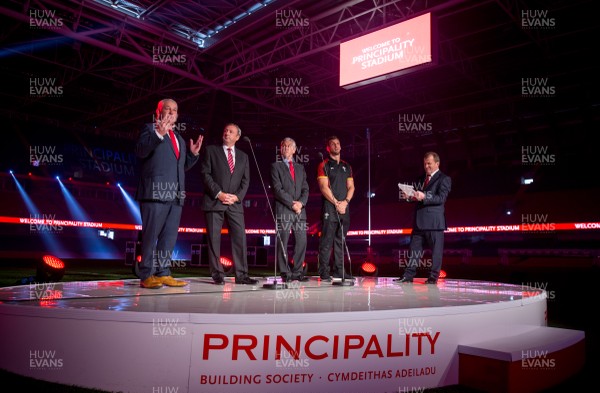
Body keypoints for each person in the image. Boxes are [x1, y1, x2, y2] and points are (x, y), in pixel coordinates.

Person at [135, 98, 203, 289]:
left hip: (175, 196)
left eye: (175, 110)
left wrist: (193, 155)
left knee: (169, 237)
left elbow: (179, 168)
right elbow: (141, 152)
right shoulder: (149, 129)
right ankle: (146, 274)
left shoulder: (179, 138)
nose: (172, 112)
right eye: (168, 109)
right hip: (155, 194)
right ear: (158, 112)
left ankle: (163, 272)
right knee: (151, 236)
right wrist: (158, 134)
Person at [200, 123, 258, 285]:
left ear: (237, 137)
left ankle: (242, 275)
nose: (226, 133)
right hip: (214, 201)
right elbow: (205, 174)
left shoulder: (244, 156)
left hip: (234, 204)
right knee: (213, 239)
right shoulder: (211, 150)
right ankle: (217, 273)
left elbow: (246, 181)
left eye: (231, 132)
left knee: (240, 238)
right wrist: (219, 194)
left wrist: (237, 197)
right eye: (225, 130)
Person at [395, 152, 451, 285]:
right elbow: (417, 197)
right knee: (413, 251)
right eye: (425, 163)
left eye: (429, 163)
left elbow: (441, 198)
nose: (426, 166)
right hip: (419, 222)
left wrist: (425, 196)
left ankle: (433, 277)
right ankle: (408, 276)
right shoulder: (421, 179)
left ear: (437, 164)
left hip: (434, 223)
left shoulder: (444, 179)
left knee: (436, 253)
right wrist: (409, 197)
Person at [270, 137, 310, 282]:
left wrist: (301, 203)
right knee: (283, 242)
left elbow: (305, 188)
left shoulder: (300, 168)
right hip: (284, 210)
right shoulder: (275, 166)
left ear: (294, 150)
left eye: (288, 146)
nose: (285, 148)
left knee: (301, 241)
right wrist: (292, 204)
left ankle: (298, 272)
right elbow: (277, 189)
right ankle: (285, 273)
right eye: (283, 146)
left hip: (300, 212)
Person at [317, 136, 355, 281]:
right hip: (330, 207)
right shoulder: (324, 164)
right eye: (333, 144)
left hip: (344, 208)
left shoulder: (347, 166)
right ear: (328, 148)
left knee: (340, 241)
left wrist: (345, 202)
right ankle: (324, 272)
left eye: (338, 143)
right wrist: (336, 203)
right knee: (327, 241)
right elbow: (323, 187)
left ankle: (339, 271)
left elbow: (351, 187)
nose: (336, 145)